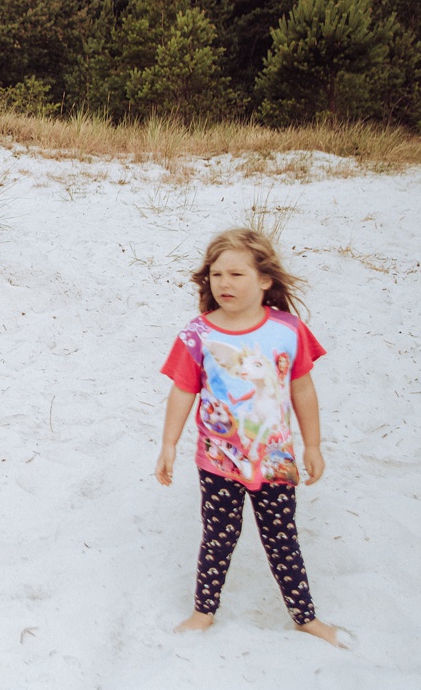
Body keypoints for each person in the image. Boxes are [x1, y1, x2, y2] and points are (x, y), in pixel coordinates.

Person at [154, 227, 343, 647]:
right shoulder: (197, 334)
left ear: (265, 280)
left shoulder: (289, 330)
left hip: (275, 461)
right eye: (217, 275)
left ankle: (305, 616)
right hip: (218, 462)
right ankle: (204, 610)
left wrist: (313, 445)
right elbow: (183, 389)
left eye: (237, 275)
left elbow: (303, 389)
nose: (224, 283)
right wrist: (168, 444)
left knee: (282, 538)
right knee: (218, 538)